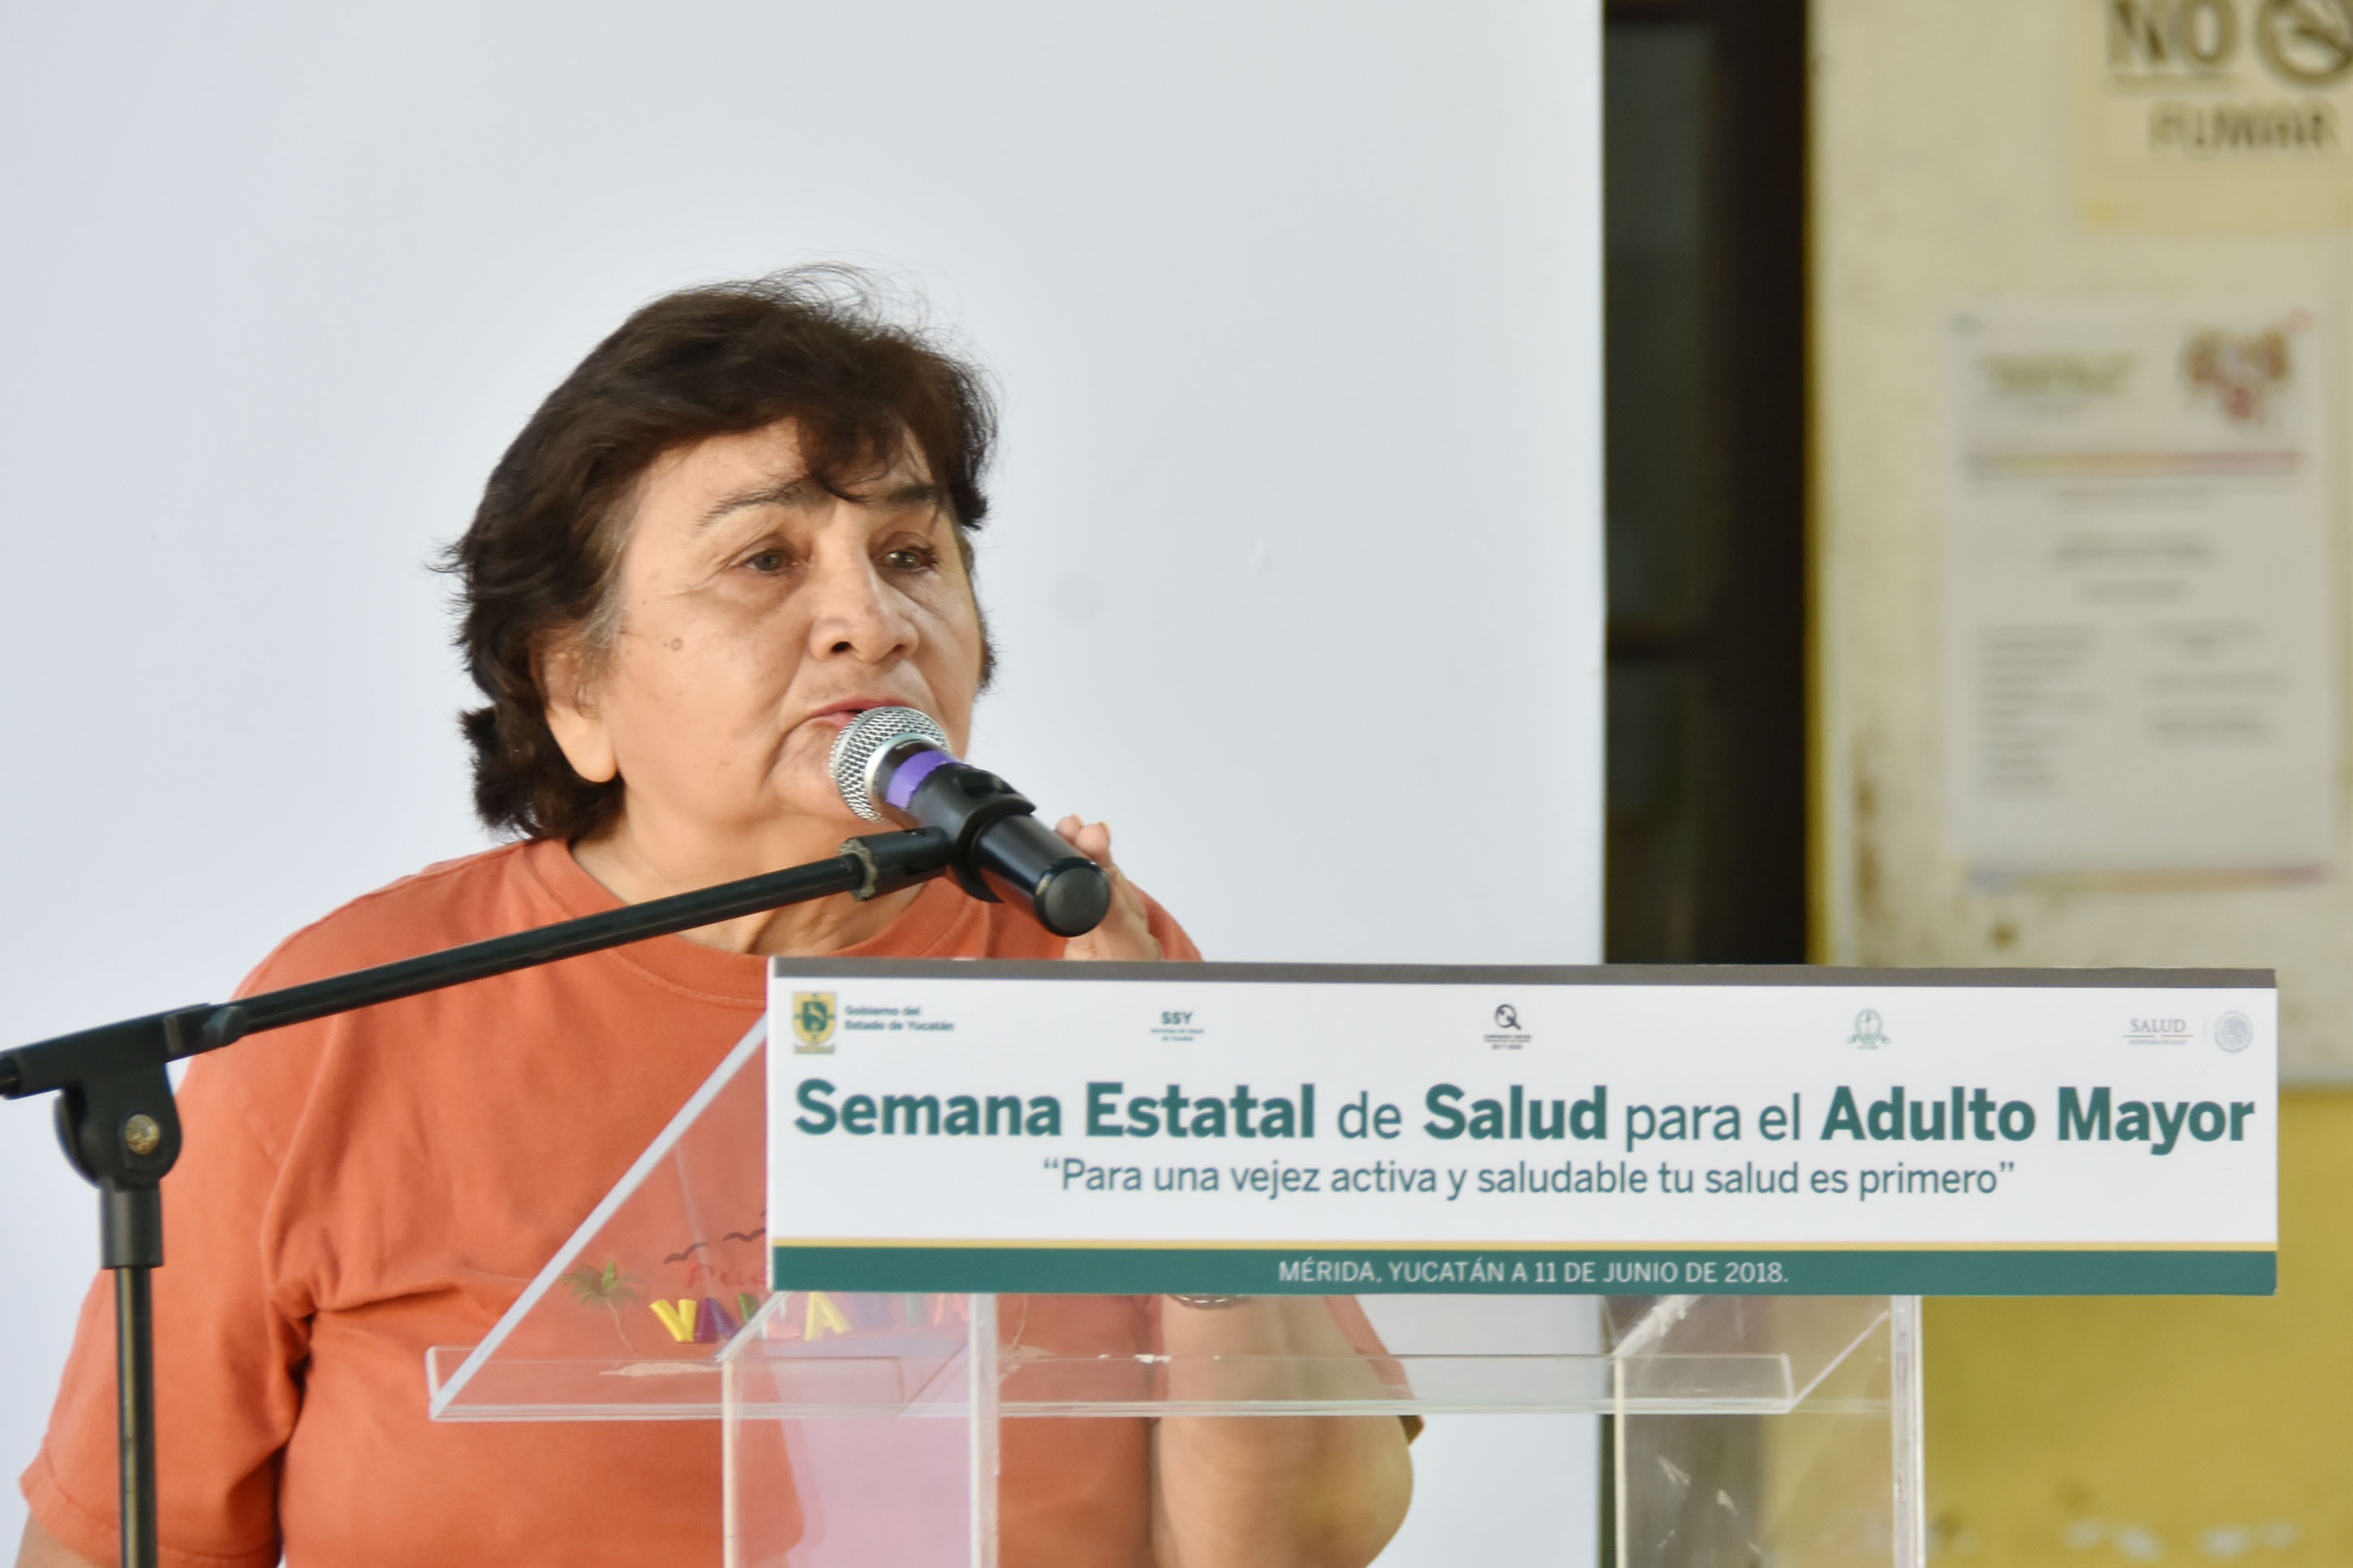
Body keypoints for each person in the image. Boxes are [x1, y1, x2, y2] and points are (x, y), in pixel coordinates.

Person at [14, 269, 1413, 1568]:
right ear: (575, 685)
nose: (873, 620)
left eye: (910, 552)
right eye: (766, 561)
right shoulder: (343, 1019)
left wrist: (1177, 1153)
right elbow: (112, 1543)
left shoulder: (1100, 964)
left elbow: (1298, 1543)